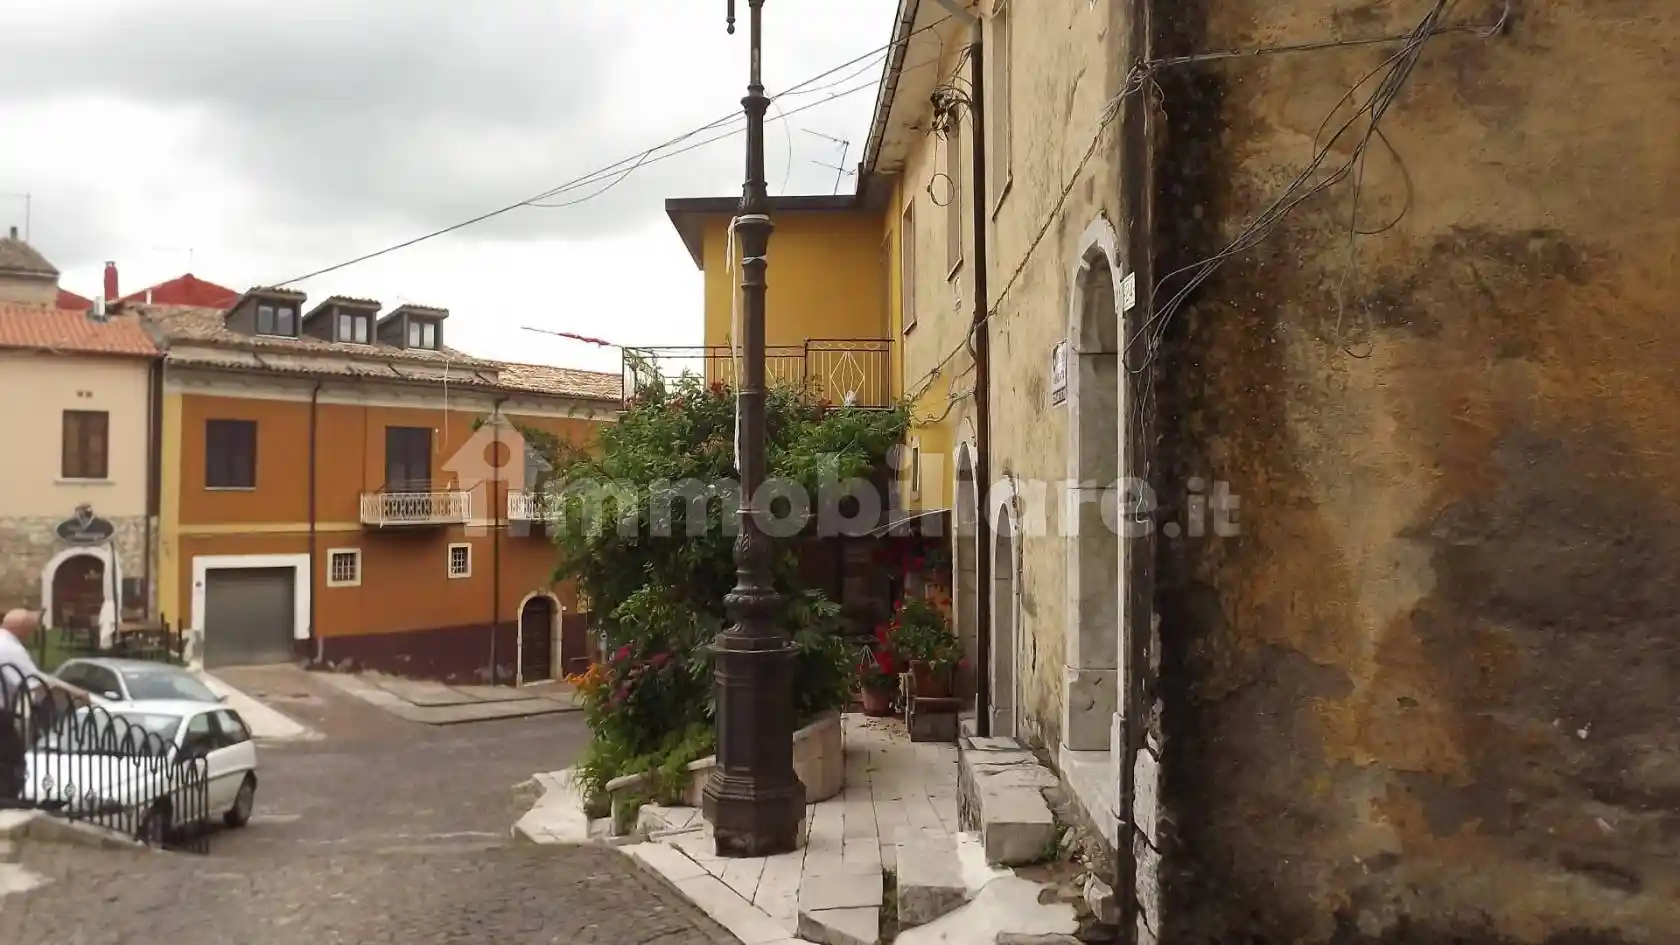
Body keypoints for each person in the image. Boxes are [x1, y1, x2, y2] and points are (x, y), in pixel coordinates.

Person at [0, 609, 89, 805]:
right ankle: (6, 805)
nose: (31, 636)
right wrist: (77, 694)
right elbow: (37, 683)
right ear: (22, 629)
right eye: (31, 630)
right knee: (11, 761)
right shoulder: (10, 648)